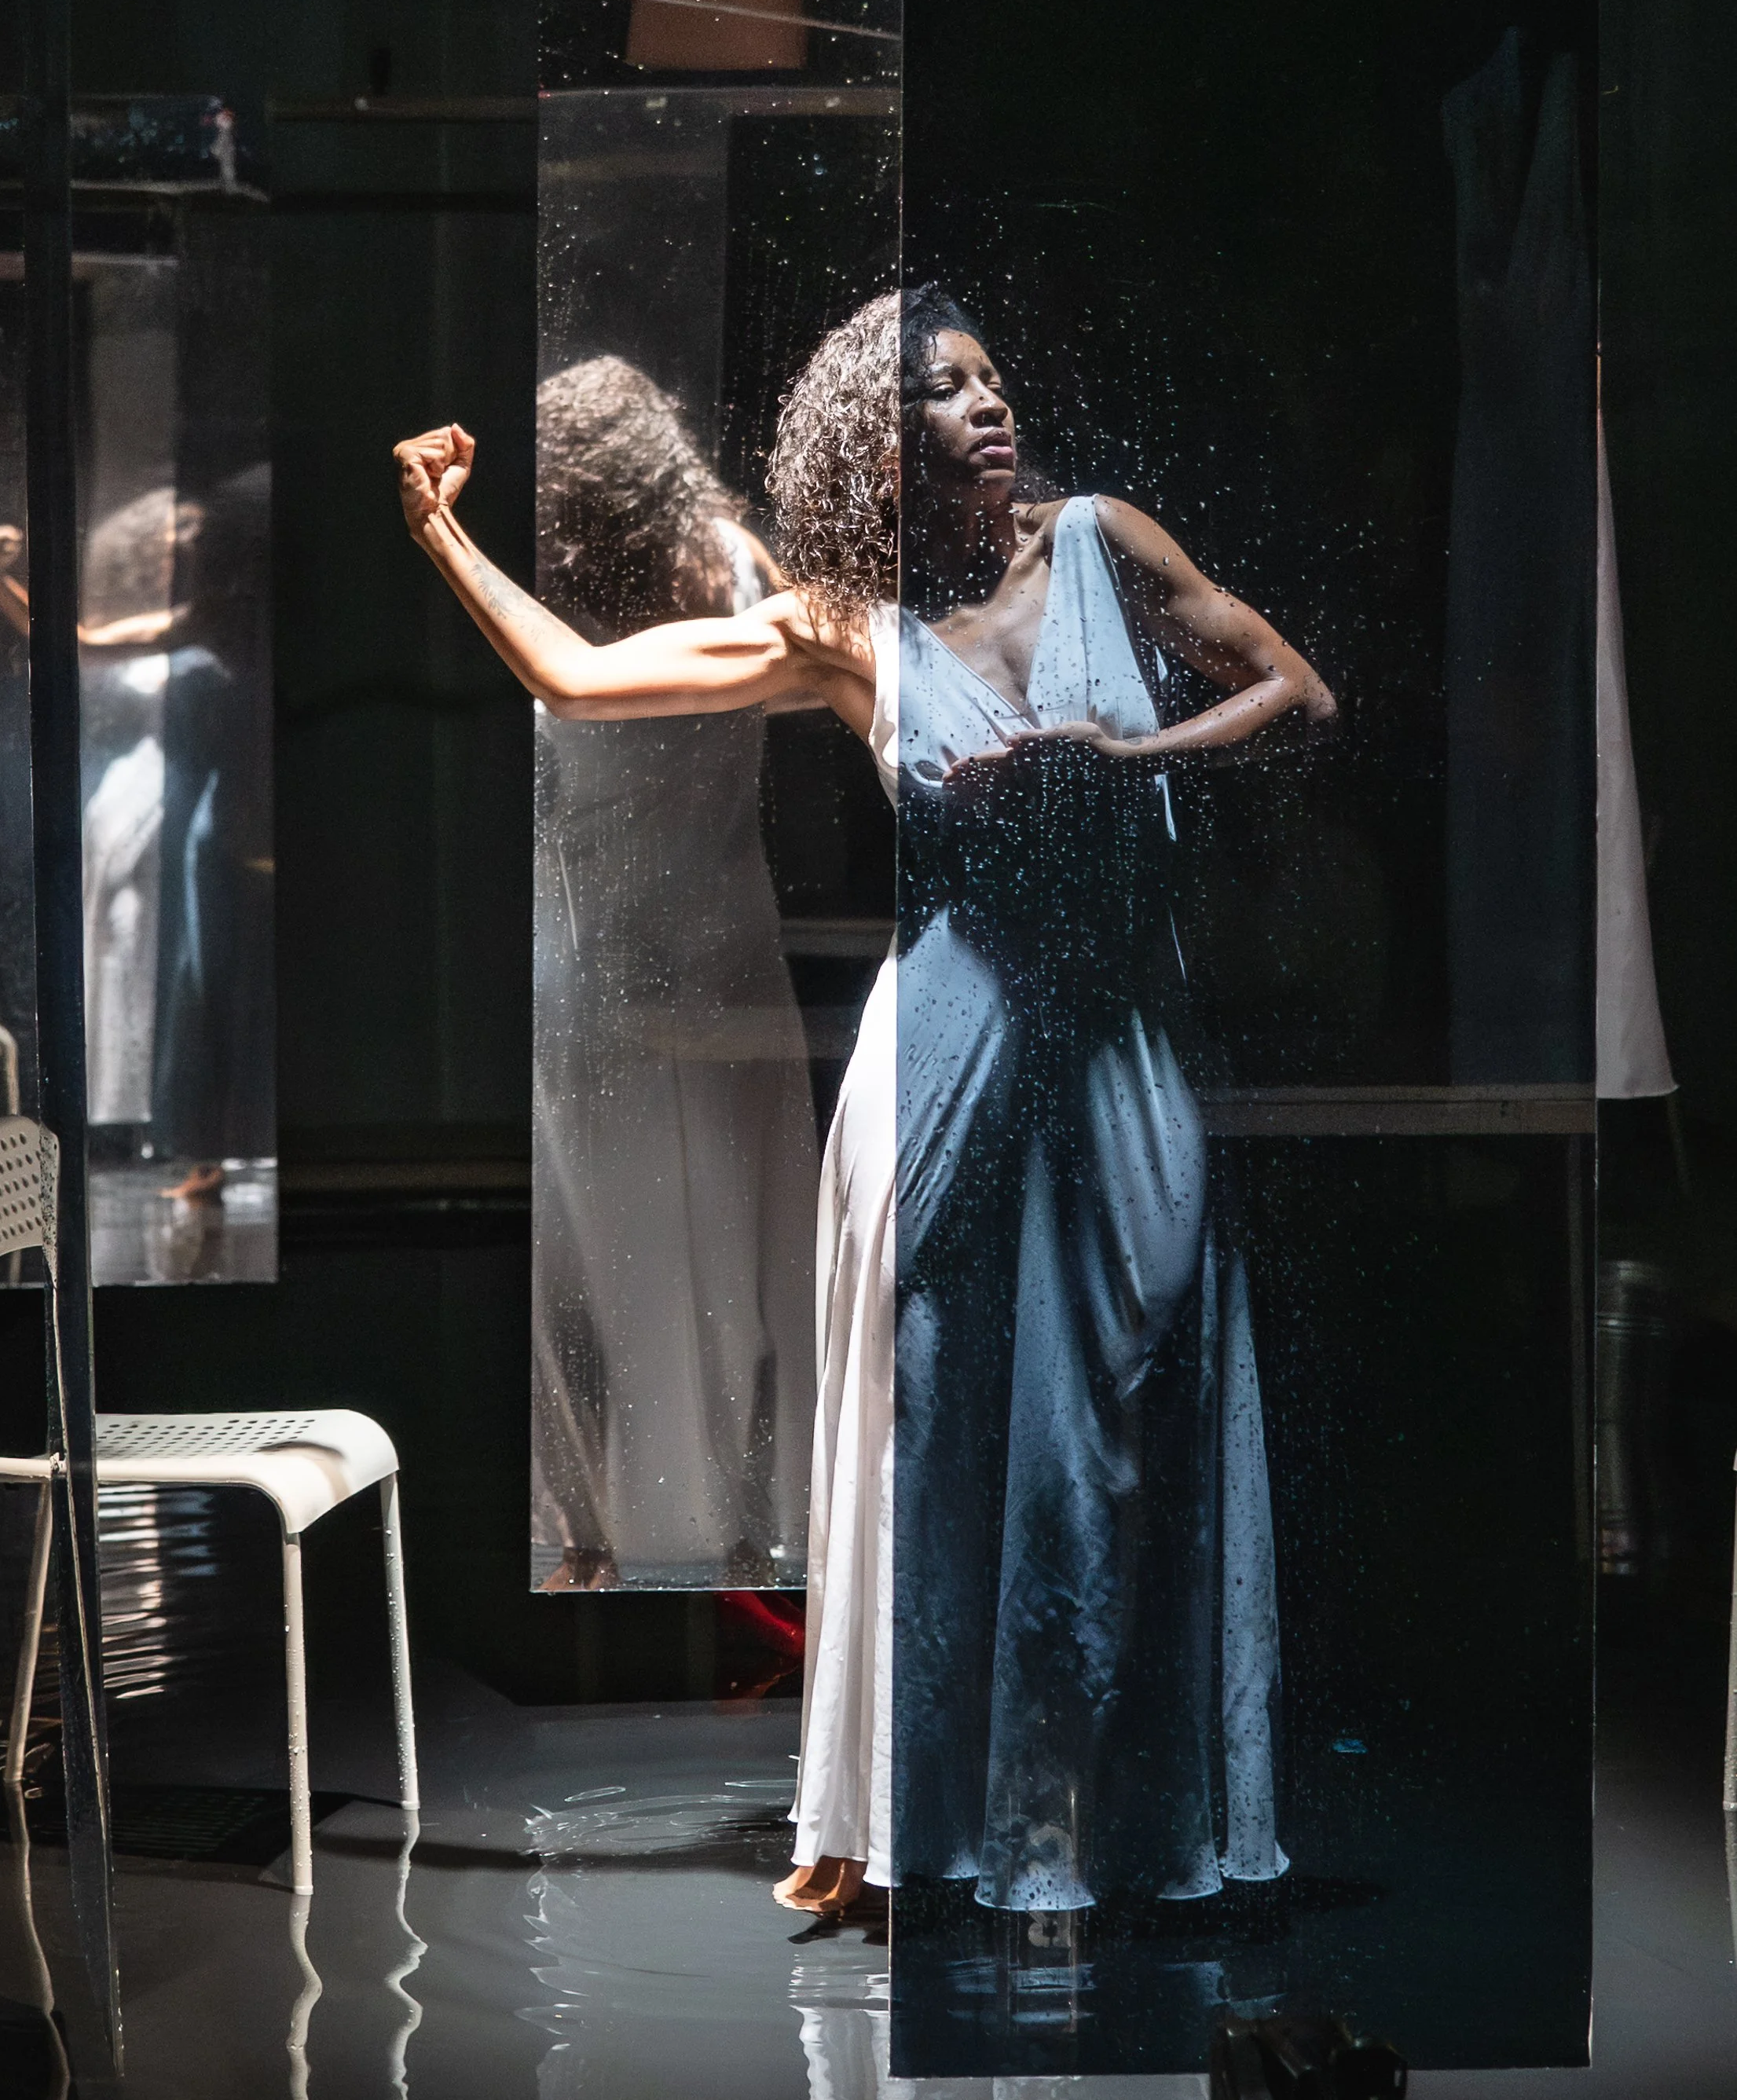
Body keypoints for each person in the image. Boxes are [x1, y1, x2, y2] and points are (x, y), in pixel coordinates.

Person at [394, 285, 1333, 1923]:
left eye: (991, 379)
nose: (988, 407)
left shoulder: (1103, 541)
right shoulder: (843, 628)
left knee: (1124, 1412)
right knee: (925, 1431)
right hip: (944, 1059)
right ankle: (890, 1825)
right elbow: (579, 675)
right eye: (943, 394)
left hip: (1121, 1055)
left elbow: (1297, 692)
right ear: (879, 446)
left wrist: (1135, 762)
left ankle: (1103, 1820)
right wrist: (439, 536)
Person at [530, 356, 819, 1591]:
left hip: (598, 951)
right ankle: (756, 1524)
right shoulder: (737, 567)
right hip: (724, 938)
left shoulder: (553, 598)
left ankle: (646, 1537)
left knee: (623, 1267)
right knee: (749, 1247)